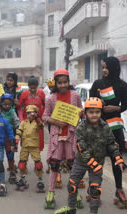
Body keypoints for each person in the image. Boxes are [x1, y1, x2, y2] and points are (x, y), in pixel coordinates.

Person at [54, 97, 126, 214]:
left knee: (95, 190)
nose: (94, 115)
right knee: (72, 186)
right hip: (81, 162)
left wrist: (118, 159)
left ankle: (93, 212)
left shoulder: (105, 127)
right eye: (91, 112)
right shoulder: (81, 127)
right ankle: (71, 209)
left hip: (98, 163)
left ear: (101, 112)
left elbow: (112, 144)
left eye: (97, 112)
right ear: (86, 112)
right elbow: (82, 148)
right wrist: (93, 164)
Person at [89, 56, 127, 208]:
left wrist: (115, 108)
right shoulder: (97, 84)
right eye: (103, 68)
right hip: (97, 125)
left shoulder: (123, 85)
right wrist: (98, 106)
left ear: (114, 68)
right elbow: (90, 103)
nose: (104, 70)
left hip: (115, 127)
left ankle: (119, 190)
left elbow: (125, 106)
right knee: (96, 159)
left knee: (116, 159)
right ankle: (94, 189)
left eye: (107, 67)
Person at [43, 69, 83, 209]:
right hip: (57, 137)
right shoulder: (51, 98)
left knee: (73, 166)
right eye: (59, 83)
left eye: (65, 82)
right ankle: (51, 193)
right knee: (54, 165)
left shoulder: (75, 95)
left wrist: (81, 114)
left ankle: (75, 192)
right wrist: (55, 122)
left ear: (68, 81)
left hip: (71, 136)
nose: (62, 85)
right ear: (55, 83)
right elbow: (45, 116)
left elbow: (80, 111)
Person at [15, 105, 45, 193]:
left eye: (32, 113)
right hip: (25, 146)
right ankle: (22, 179)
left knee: (38, 164)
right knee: (22, 163)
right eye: (28, 113)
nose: (30, 115)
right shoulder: (23, 122)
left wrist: (38, 118)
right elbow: (19, 131)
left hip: (34, 146)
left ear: (36, 114)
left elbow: (41, 126)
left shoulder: (37, 122)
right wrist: (16, 142)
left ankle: (40, 180)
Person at [19, 76, 45, 150]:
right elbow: (20, 107)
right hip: (26, 120)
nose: (33, 90)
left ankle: (37, 156)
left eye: (34, 88)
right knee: (26, 137)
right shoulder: (24, 94)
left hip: (38, 120)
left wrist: (42, 115)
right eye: (31, 88)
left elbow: (45, 105)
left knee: (38, 138)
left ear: (37, 86)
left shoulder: (41, 93)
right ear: (28, 87)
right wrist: (21, 119)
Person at [0, 93, 20, 184]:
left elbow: (17, 122)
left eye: (9, 104)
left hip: (9, 136)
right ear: (1, 104)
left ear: (11, 104)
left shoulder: (12, 112)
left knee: (10, 154)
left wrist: (19, 131)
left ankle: (12, 171)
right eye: (5, 104)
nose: (7, 106)